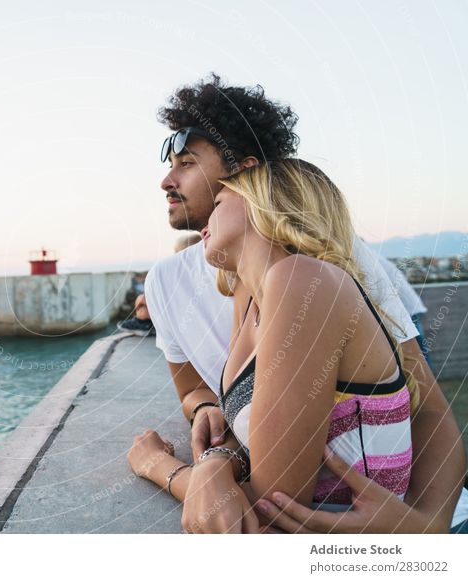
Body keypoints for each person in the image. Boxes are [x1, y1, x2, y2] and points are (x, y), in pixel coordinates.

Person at [128, 73, 466, 533]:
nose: (167, 180)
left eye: (187, 163)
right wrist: (215, 453)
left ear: (246, 175)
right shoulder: (213, 282)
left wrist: (427, 528)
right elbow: (197, 393)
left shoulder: (320, 261)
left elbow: (426, 404)